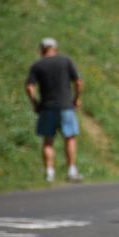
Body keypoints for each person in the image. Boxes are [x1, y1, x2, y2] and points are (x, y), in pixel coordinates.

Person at [25, 37, 84, 183]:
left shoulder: (37, 65)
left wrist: (35, 103)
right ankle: (71, 169)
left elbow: (29, 87)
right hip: (66, 106)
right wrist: (76, 98)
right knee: (69, 138)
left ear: (41, 49)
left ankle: (49, 172)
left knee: (48, 141)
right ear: (55, 48)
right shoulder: (65, 61)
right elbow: (78, 82)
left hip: (46, 107)